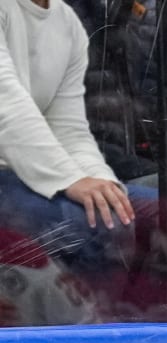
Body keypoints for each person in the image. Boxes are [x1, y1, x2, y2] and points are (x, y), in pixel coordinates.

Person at [0, 0, 155, 280]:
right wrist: (69, 179)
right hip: (9, 175)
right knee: (96, 226)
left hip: (33, 173)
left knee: (157, 215)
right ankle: (90, 320)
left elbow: (69, 128)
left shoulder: (66, 22)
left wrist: (101, 180)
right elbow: (5, 106)